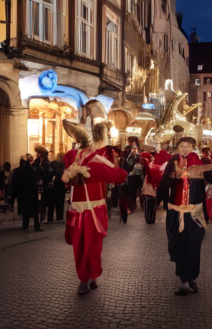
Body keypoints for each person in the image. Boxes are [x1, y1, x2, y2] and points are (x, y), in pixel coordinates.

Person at [62, 121, 128, 295]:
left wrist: (108, 165)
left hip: (90, 210)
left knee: (88, 247)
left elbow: (119, 176)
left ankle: (88, 278)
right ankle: (87, 278)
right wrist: (111, 164)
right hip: (82, 210)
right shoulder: (85, 163)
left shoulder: (93, 164)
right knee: (85, 247)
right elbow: (121, 176)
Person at [158, 136, 212, 296]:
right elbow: (164, 183)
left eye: (187, 146)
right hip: (176, 211)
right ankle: (183, 280)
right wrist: (174, 177)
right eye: (181, 146)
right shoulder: (173, 162)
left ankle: (190, 278)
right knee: (178, 245)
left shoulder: (200, 163)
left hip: (195, 213)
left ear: (193, 147)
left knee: (193, 246)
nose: (184, 149)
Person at [11, 159, 41, 231]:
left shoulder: (18, 171)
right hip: (32, 192)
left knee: (25, 209)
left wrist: (15, 193)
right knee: (35, 210)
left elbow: (14, 182)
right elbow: (37, 179)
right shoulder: (32, 171)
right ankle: (36, 226)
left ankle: (25, 225)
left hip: (22, 192)